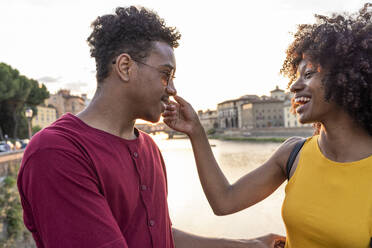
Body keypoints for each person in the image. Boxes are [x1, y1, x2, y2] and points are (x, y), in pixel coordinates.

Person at [17, 6, 283, 248]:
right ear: (125, 67)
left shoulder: (149, 149)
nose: (172, 89)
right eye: (165, 75)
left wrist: (245, 245)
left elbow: (159, 237)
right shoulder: (56, 152)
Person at [163, 3, 372, 248]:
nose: (294, 87)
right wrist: (196, 131)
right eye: (296, 76)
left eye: (309, 74)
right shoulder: (293, 153)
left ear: (345, 79)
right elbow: (224, 201)